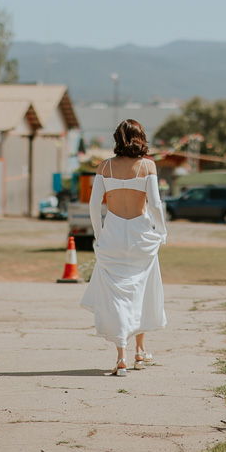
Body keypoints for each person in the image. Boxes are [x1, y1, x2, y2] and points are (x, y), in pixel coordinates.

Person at [79, 119, 168, 377]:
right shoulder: (146, 165)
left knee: (117, 294)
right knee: (141, 290)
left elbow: (94, 204)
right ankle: (139, 351)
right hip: (140, 234)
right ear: (141, 137)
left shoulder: (104, 166)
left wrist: (99, 233)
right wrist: (161, 231)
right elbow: (155, 204)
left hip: (114, 233)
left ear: (118, 138)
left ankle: (124, 355)